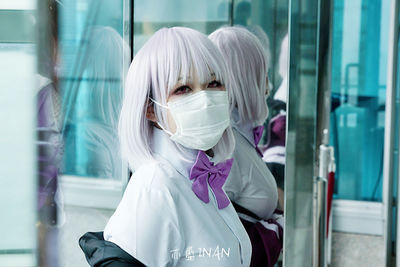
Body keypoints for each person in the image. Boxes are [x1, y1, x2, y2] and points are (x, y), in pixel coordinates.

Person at [80, 27, 252, 266]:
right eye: (183, 89)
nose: (204, 100)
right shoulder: (155, 188)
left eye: (213, 83)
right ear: (151, 109)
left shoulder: (201, 178)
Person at [209, 26, 283, 267]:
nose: (268, 86)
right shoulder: (223, 144)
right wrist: (280, 228)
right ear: (246, 79)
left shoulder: (237, 133)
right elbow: (219, 243)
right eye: (263, 74)